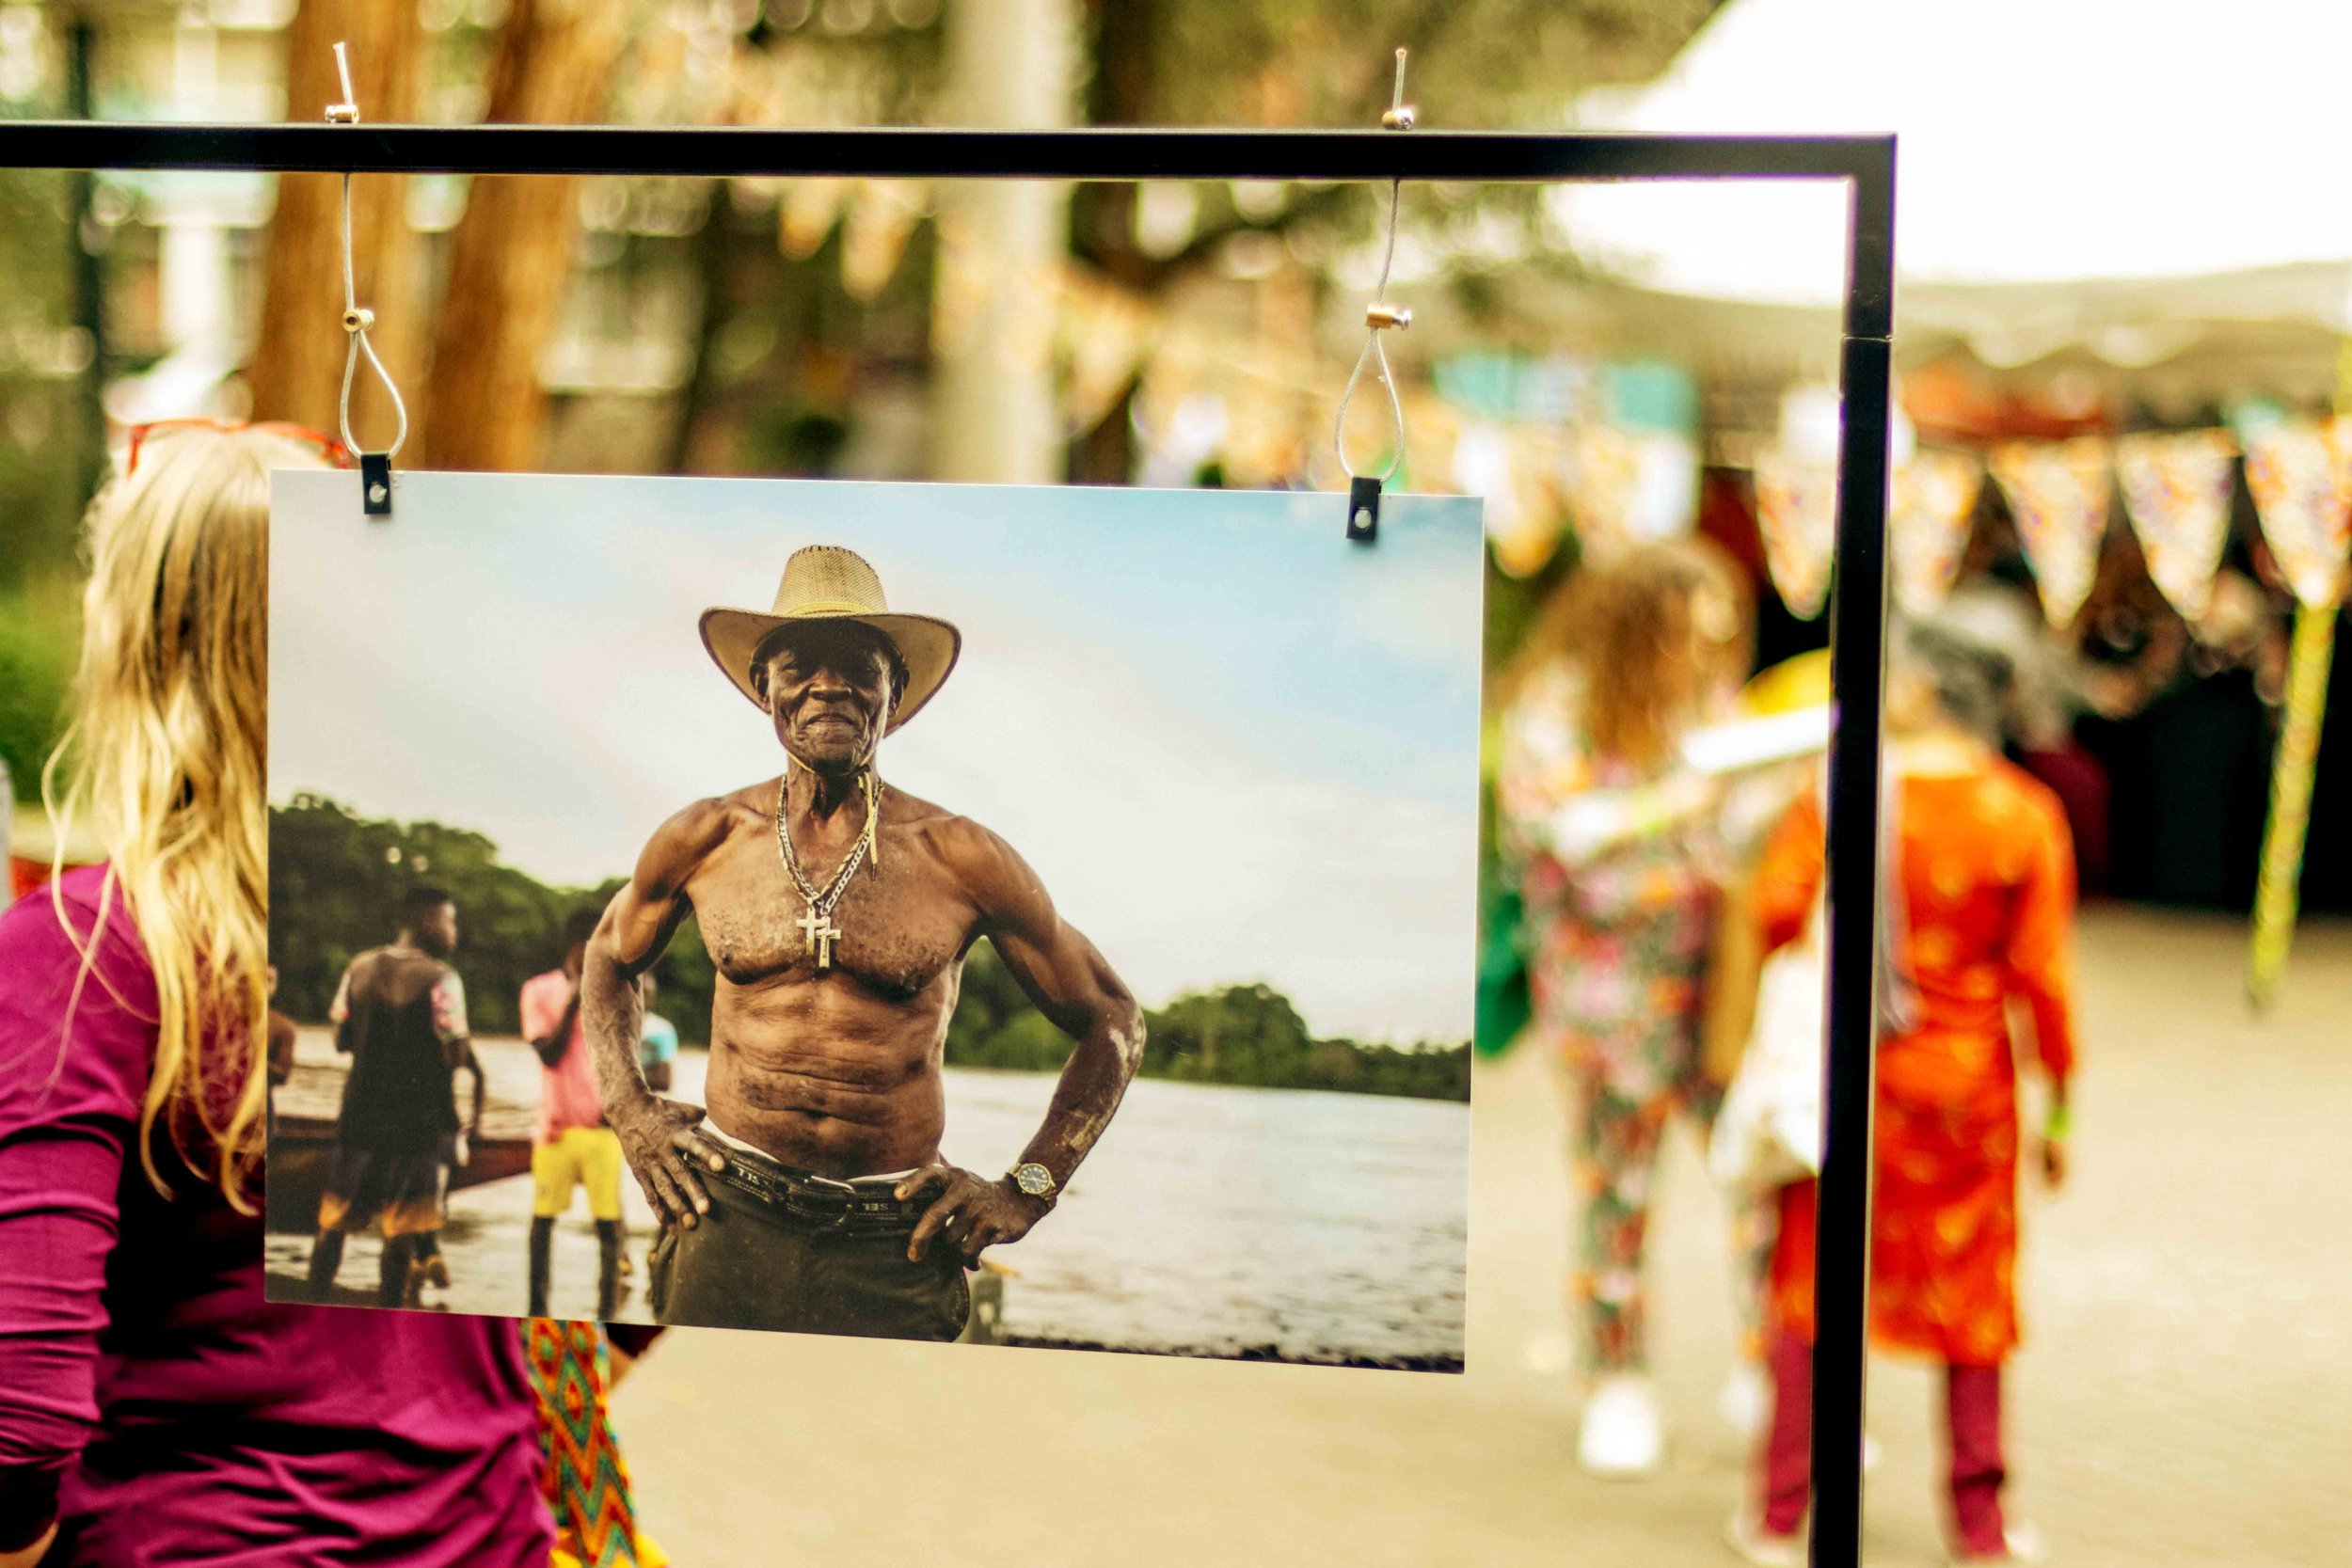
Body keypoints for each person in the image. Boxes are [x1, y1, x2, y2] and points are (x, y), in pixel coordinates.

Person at [0, 422, 552, 1565]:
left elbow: (17, 1423)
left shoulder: (84, 954)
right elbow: (593, 1305)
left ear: (134, 640)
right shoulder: (477, 953)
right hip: (490, 1538)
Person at [583, 545, 1145, 1338]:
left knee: (885, 1451)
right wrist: (629, 1109)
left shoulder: (960, 855)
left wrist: (1027, 1186)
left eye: (858, 663)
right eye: (798, 663)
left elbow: (1114, 1019)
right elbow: (608, 959)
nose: (828, 684)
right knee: (700, 1439)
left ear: (896, 690)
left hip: (896, 1239)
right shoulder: (704, 838)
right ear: (763, 690)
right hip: (725, 1207)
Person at [1729, 616, 2075, 1567]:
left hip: (1842, 1084)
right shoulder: (2023, 812)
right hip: (1968, 1093)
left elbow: (1772, 905)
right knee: (1974, 1306)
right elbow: (2042, 982)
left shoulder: (1843, 790)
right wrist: (2060, 1111)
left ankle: (1777, 1512)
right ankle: (1979, 1525)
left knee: (1807, 1287)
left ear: (1919, 690)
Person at [1495, 537, 1769, 1478]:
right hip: (1606, 1001)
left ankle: (1770, 1367)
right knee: (1616, 1196)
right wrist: (1679, 802)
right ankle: (1615, 1380)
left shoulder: (1707, 704)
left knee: (1758, 1175)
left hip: (1715, 991)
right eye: (1683, 637)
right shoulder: (1561, 708)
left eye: (1716, 640)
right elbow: (1559, 834)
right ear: (1636, 628)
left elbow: (1731, 831)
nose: (1699, 657)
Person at [306, 885, 485, 1307]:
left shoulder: (358, 968)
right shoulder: (443, 979)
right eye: (449, 920)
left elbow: (341, 1039)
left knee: (332, 1225)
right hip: (414, 1127)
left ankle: (312, 1302)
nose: (453, 930)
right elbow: (455, 1054)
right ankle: (388, 1315)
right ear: (427, 922)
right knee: (401, 1233)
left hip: (358, 1119)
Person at [522, 908, 628, 1320]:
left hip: (603, 1130)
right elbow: (547, 1054)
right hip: (556, 1129)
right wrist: (575, 1000)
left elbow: (627, 1054)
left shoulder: (616, 988)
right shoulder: (539, 991)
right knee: (543, 1221)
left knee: (609, 1225)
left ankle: (607, 1312)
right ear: (578, 945)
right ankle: (536, 1310)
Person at [638, 973, 678, 1094]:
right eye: (642, 991)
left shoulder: (661, 1030)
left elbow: (663, 1080)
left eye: (648, 992)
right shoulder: (611, 1026)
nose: (645, 996)